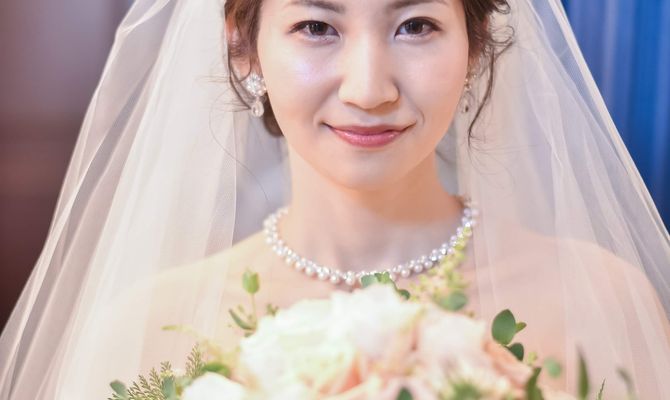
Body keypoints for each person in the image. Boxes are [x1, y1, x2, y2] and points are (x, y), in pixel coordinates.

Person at [1, 0, 669, 398]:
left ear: (472, 49)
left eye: (415, 24)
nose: (368, 88)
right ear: (244, 48)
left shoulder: (599, 298)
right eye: (317, 26)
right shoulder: (146, 326)